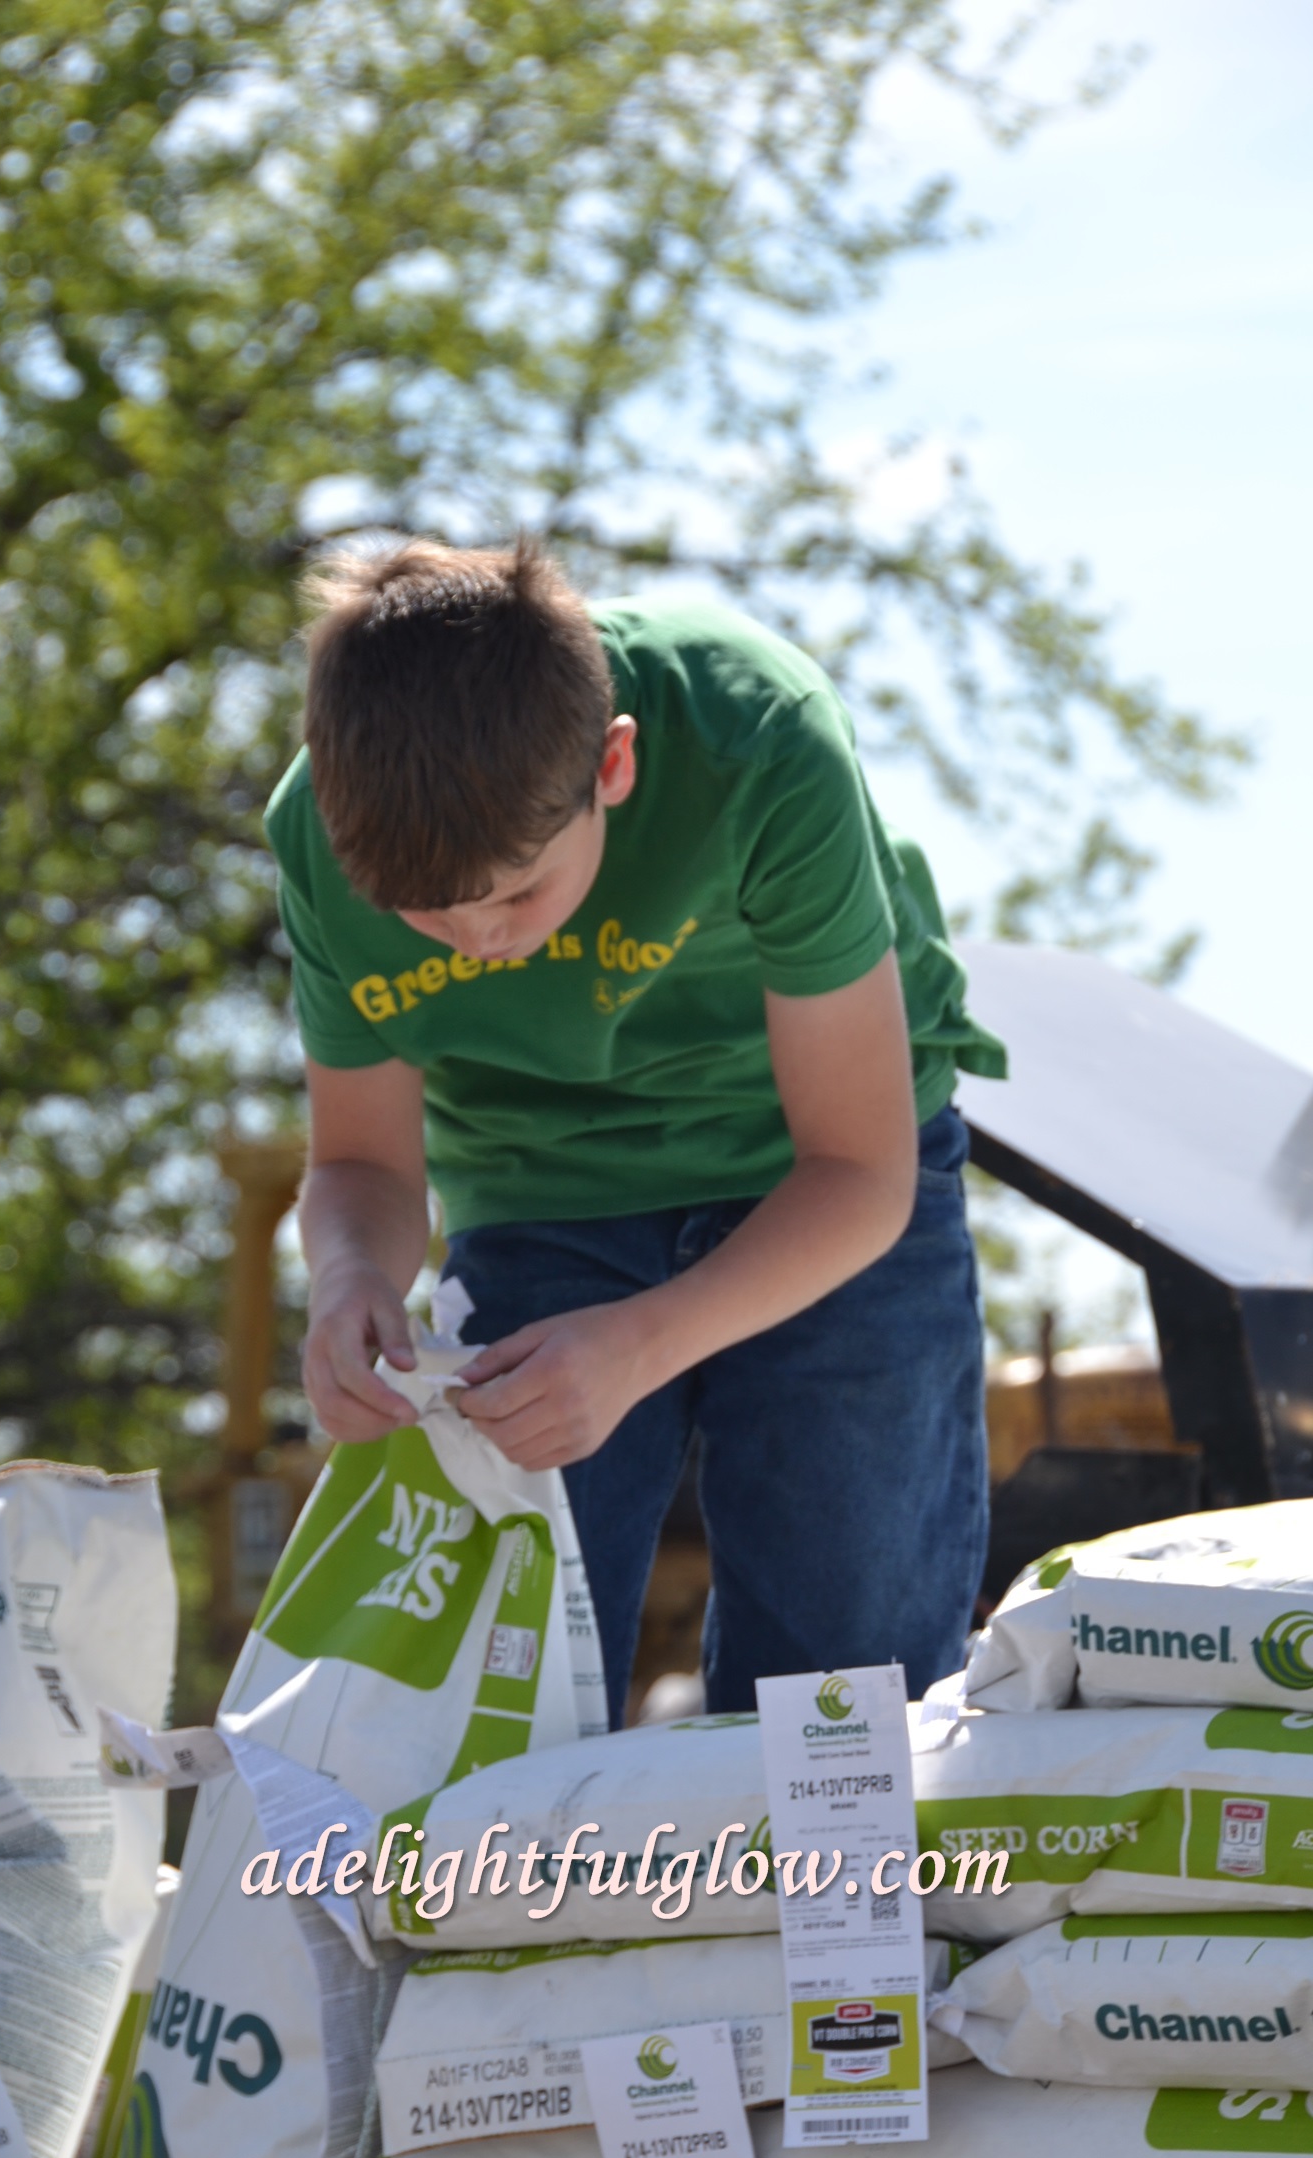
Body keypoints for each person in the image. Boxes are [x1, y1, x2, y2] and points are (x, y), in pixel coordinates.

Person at [266, 538, 1006, 1727]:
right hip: (542, 1194)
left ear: (614, 765)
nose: (483, 942)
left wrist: (640, 1344)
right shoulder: (315, 831)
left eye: (519, 891)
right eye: (425, 916)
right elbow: (361, 1164)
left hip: (814, 1188)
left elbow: (861, 1172)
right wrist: (350, 1280)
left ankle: (826, 1859)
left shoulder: (758, 735)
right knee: (497, 1682)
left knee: (843, 1679)